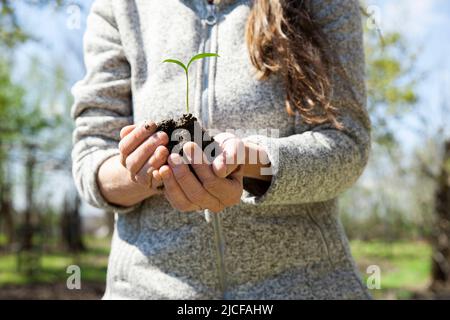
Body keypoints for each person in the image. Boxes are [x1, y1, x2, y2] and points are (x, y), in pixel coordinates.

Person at [71, 0, 371, 299]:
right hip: (146, 289)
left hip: (305, 287)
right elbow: (92, 153)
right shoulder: (122, 6)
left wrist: (252, 162)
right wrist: (143, 171)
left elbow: (346, 143)